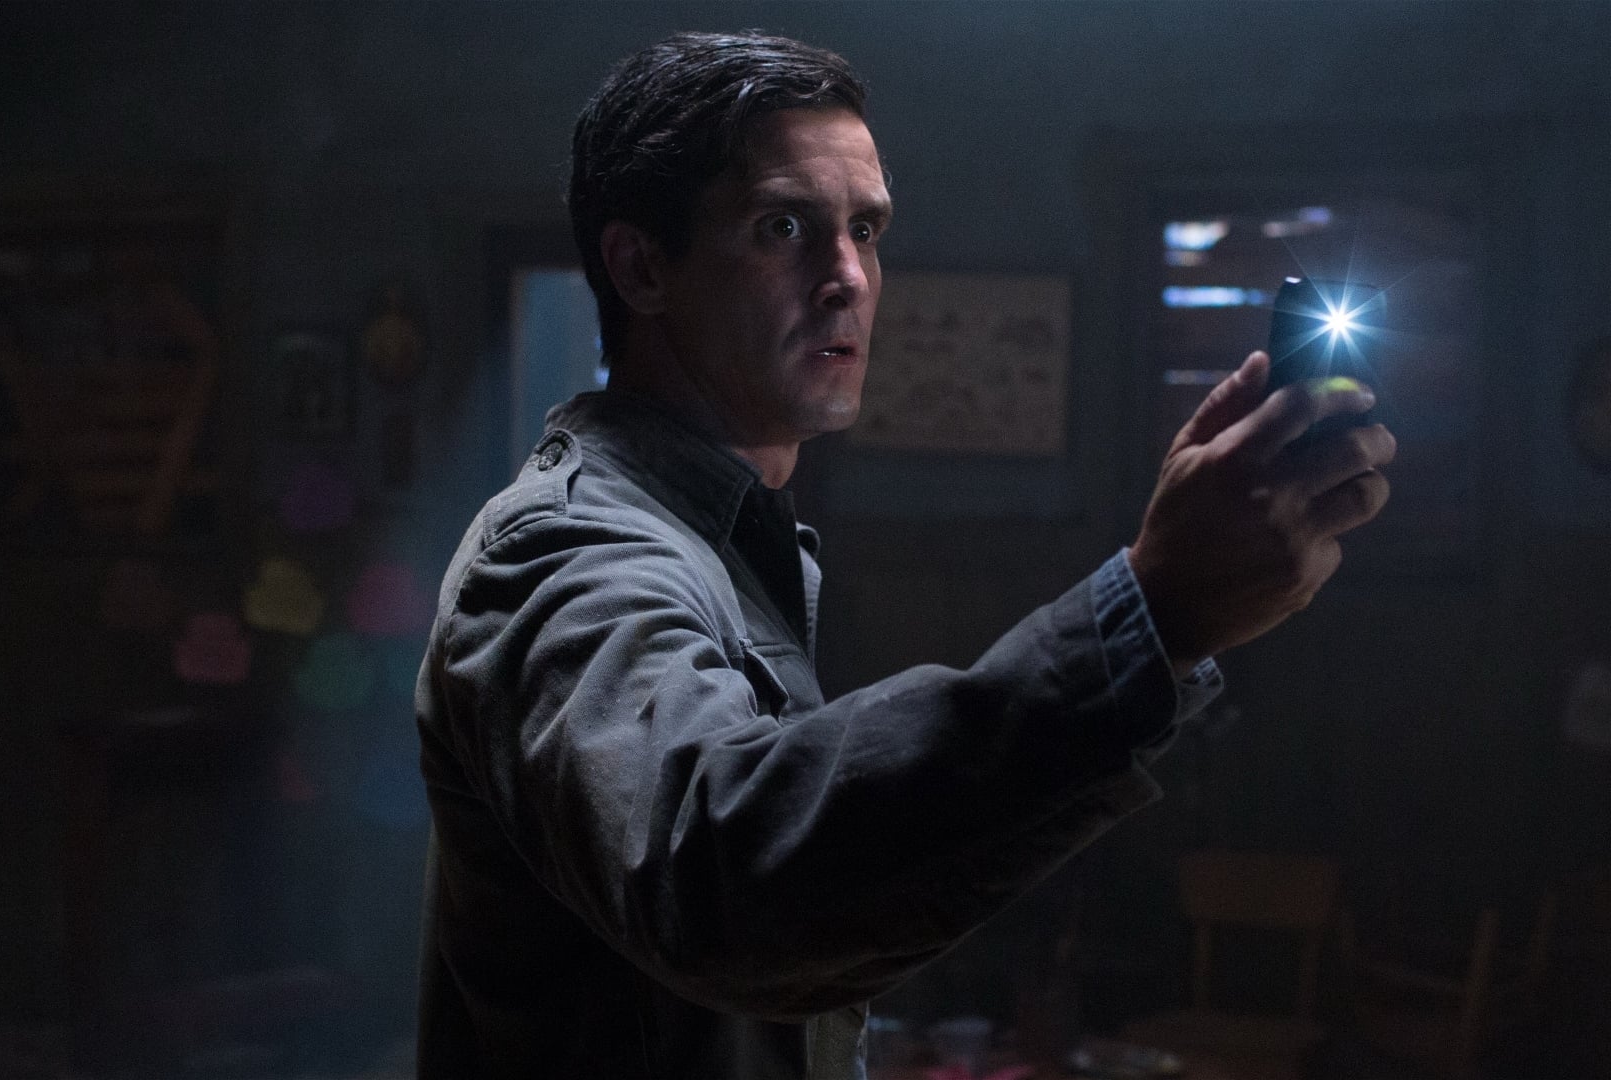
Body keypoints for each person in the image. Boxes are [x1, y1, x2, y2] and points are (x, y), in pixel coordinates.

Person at [414, 30, 1395, 1080]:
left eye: (866, 230)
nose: (846, 277)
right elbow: (720, 882)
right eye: (783, 227)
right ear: (641, 266)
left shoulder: (721, 542)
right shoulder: (565, 551)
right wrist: (1150, 617)